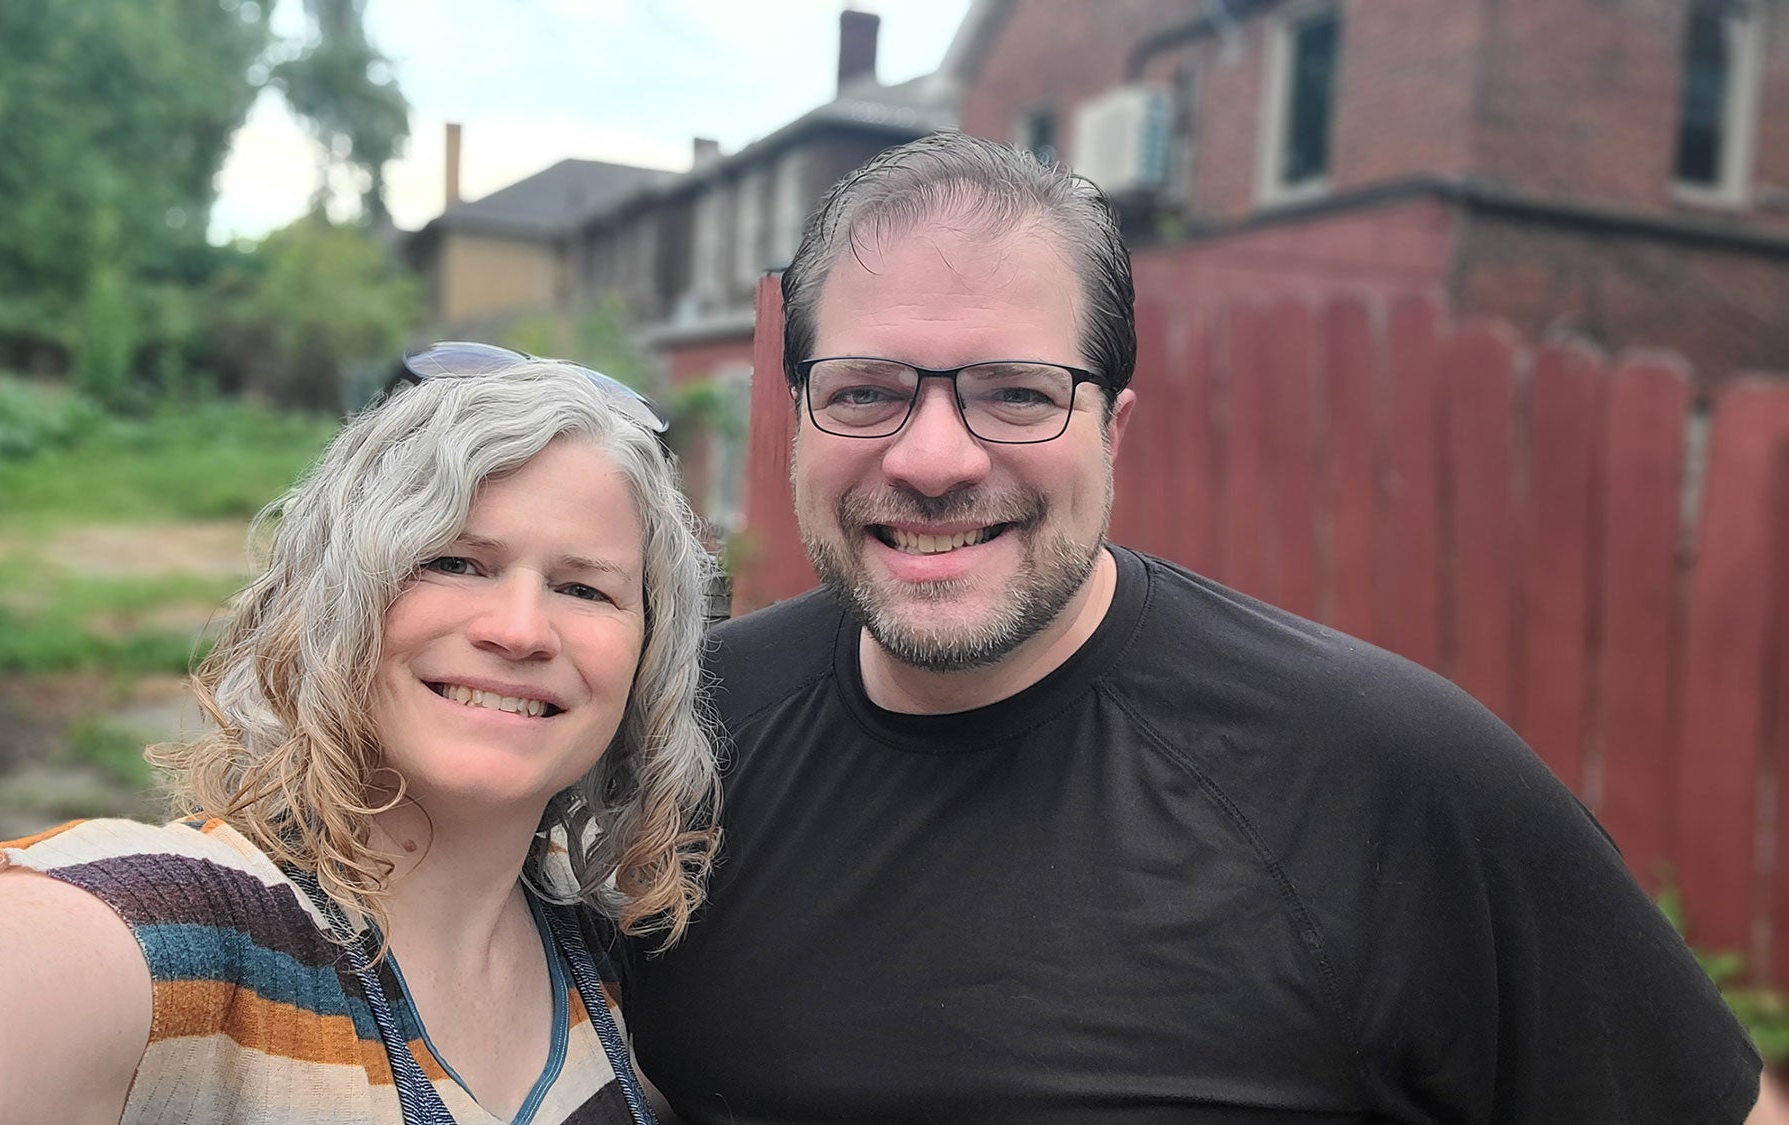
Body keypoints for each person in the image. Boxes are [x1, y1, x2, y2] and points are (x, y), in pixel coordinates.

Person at [616, 130, 1771, 1123]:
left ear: (1111, 432)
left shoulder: (1382, 778)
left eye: (1016, 392)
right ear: (799, 422)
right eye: (864, 390)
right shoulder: (682, 737)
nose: (929, 457)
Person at [0, 355, 720, 1125]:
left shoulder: (611, 966)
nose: (520, 629)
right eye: (452, 561)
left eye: (585, 587)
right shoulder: (200, 935)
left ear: (648, 655)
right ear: (335, 601)